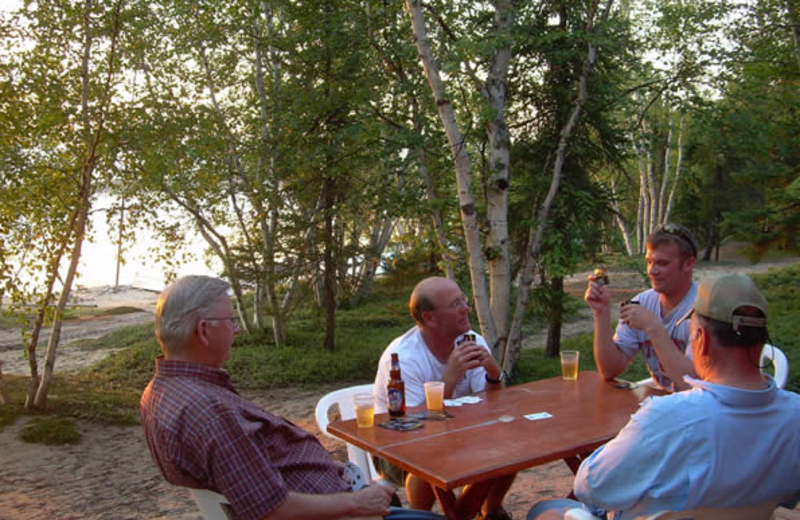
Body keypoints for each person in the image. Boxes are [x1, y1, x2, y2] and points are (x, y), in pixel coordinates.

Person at [141, 275, 436, 520]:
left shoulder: (161, 391)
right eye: (231, 321)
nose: (237, 329)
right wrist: (357, 503)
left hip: (338, 495)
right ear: (204, 330)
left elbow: (256, 468)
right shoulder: (208, 409)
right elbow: (270, 508)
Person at [528, 273, 800, 520]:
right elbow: (788, 497)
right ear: (762, 341)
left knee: (544, 512)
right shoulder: (794, 416)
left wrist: (629, 440)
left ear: (701, 339)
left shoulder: (669, 417)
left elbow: (590, 487)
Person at [373, 276, 513, 520]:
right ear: (430, 318)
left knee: (510, 444)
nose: (465, 308)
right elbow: (412, 426)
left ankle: (490, 510)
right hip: (395, 446)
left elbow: (494, 404)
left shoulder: (471, 341)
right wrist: (449, 378)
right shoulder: (403, 358)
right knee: (429, 459)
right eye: (454, 304)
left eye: (463, 300)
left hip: (458, 434)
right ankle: (421, 516)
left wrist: (493, 372)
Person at [585, 223, 699, 391]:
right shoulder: (640, 302)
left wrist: (653, 326)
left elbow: (692, 385)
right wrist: (601, 311)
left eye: (662, 263)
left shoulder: (706, 309)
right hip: (662, 402)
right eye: (649, 261)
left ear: (688, 264)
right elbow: (609, 370)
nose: (652, 270)